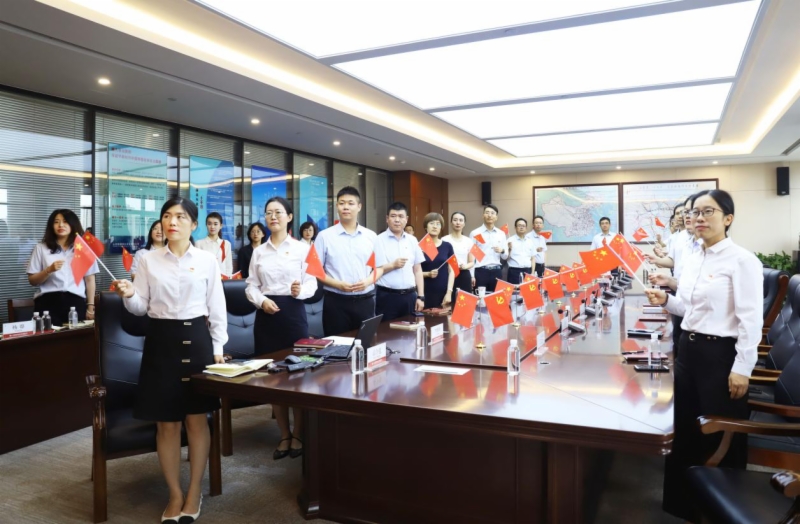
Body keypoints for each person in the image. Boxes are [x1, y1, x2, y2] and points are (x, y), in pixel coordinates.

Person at [644, 189, 762, 522]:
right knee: (685, 431)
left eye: (708, 212)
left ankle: (720, 511)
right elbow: (687, 307)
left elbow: (751, 320)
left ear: (728, 218)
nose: (698, 218)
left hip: (720, 357)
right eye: (694, 212)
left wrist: (743, 368)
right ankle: (683, 506)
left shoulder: (742, 260)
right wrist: (665, 300)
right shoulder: (694, 256)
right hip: (689, 351)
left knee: (717, 435)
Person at [112, 197, 227, 524]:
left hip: (198, 341)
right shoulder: (147, 259)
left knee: (196, 419)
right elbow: (141, 306)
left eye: (180, 217)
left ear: (194, 224)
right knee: (166, 422)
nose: (171, 222)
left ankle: (194, 491)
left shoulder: (207, 260)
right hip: (161, 341)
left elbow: (216, 307)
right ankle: (175, 493)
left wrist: (218, 347)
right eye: (166, 216)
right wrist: (129, 294)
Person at [245, 197, 317, 460]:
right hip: (266, 317)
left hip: (293, 314)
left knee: (298, 376)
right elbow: (251, 285)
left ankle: (298, 433)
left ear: (289, 217)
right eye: (268, 213)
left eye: (278, 212)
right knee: (273, 378)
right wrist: (261, 301)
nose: (272, 217)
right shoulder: (259, 251)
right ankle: (284, 434)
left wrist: (300, 291)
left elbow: (312, 283)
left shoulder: (303, 249)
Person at [313, 186, 378, 336]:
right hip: (336, 303)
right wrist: (338, 284)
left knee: (366, 344)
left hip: (365, 301)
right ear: (337, 206)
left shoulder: (371, 236)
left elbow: (379, 268)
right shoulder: (324, 236)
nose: (346, 207)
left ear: (359, 206)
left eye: (350, 203)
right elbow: (315, 270)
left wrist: (368, 281)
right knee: (337, 345)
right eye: (342, 203)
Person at [27, 209, 98, 326]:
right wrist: (48, 270)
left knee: (75, 337)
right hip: (47, 303)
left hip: (75, 303)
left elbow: (90, 280)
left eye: (65, 221)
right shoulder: (41, 248)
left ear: (73, 224)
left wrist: (90, 307)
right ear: (51, 226)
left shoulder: (83, 249)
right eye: (56, 222)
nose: (60, 225)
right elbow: (32, 281)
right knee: (48, 337)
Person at [373, 202, 425, 321]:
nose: (397, 220)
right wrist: (393, 265)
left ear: (406, 219)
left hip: (410, 296)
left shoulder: (412, 240)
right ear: (387, 219)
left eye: (401, 216)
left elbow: (417, 270)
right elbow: (374, 270)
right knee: (386, 330)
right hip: (387, 296)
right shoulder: (378, 240)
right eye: (393, 216)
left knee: (411, 329)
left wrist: (421, 296)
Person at [420, 212, 455, 309]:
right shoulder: (419, 246)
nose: (435, 226)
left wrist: (449, 292)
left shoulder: (447, 246)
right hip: (424, 292)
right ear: (426, 227)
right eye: (431, 223)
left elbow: (452, 271)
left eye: (438, 224)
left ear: (441, 228)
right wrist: (428, 274)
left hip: (443, 292)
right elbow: (412, 272)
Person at [469, 204, 507, 292]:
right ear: (483, 216)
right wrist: (472, 275)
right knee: (480, 298)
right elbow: (472, 257)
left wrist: (502, 250)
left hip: (496, 271)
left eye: (492, 213)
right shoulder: (475, 233)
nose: (489, 215)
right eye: (487, 212)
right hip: (480, 272)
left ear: (496, 217)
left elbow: (505, 256)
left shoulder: (501, 234)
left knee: (496, 298)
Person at [442, 211, 475, 305]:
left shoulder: (469, 241)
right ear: (451, 222)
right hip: (448, 274)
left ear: (464, 224)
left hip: (464, 274)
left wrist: (465, 266)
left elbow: (472, 262)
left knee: (465, 304)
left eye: (461, 220)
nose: (458, 222)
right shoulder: (444, 240)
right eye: (455, 220)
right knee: (449, 304)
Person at [195, 212, 233, 277]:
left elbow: (228, 266)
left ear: (221, 226)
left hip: (222, 280)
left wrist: (227, 279)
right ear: (206, 225)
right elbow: (197, 264)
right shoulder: (199, 243)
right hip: (205, 278)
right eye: (209, 224)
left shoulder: (226, 244)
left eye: (215, 224)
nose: (212, 227)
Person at [506, 218, 535, 284]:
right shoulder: (510, 240)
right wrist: (509, 249)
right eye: (519, 225)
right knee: (515, 290)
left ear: (526, 228)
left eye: (523, 226)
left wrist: (532, 272)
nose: (521, 227)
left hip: (527, 271)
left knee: (527, 290)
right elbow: (505, 258)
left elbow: (533, 258)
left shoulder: (530, 241)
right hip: (514, 271)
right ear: (515, 227)